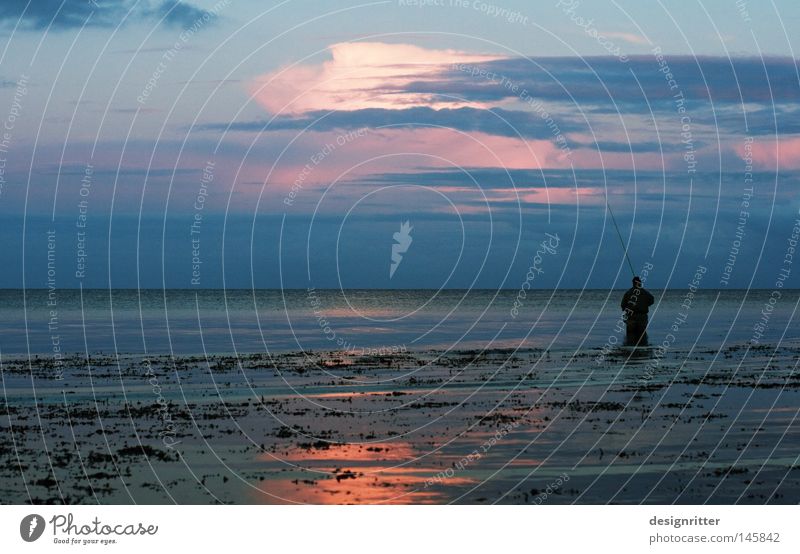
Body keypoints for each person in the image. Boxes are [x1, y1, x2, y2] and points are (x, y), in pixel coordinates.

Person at [620, 275, 654, 346]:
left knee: (630, 336)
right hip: (642, 317)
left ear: (633, 283)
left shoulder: (628, 292)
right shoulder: (645, 292)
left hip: (631, 317)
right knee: (642, 336)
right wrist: (645, 304)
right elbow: (652, 300)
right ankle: (642, 350)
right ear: (640, 283)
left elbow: (623, 305)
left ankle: (631, 351)